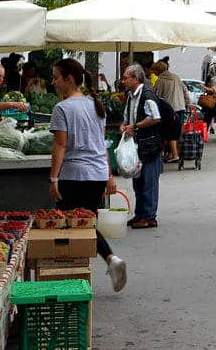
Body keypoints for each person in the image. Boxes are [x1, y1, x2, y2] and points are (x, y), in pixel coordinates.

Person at [48, 58, 127, 292]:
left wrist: (53, 179)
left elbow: (60, 145)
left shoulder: (62, 108)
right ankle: (109, 261)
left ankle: (78, 273)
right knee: (86, 221)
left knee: (71, 224)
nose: (53, 83)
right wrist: (109, 175)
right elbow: (101, 145)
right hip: (96, 175)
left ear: (68, 79)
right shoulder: (95, 105)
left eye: (56, 78)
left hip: (73, 175)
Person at [120, 64, 163, 229]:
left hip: (150, 145)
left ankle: (149, 217)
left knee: (149, 181)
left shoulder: (147, 95)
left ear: (135, 79)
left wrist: (135, 126)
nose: (123, 81)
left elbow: (155, 117)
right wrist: (124, 125)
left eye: (126, 78)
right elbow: (127, 116)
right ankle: (140, 214)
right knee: (138, 181)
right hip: (138, 145)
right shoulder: (131, 95)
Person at [152, 60, 186, 164]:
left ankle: (171, 155)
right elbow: (185, 90)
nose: (153, 72)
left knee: (166, 133)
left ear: (158, 70)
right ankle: (173, 154)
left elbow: (155, 96)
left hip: (169, 110)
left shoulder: (160, 81)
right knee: (177, 132)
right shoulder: (176, 77)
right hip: (180, 107)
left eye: (154, 70)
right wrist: (188, 103)